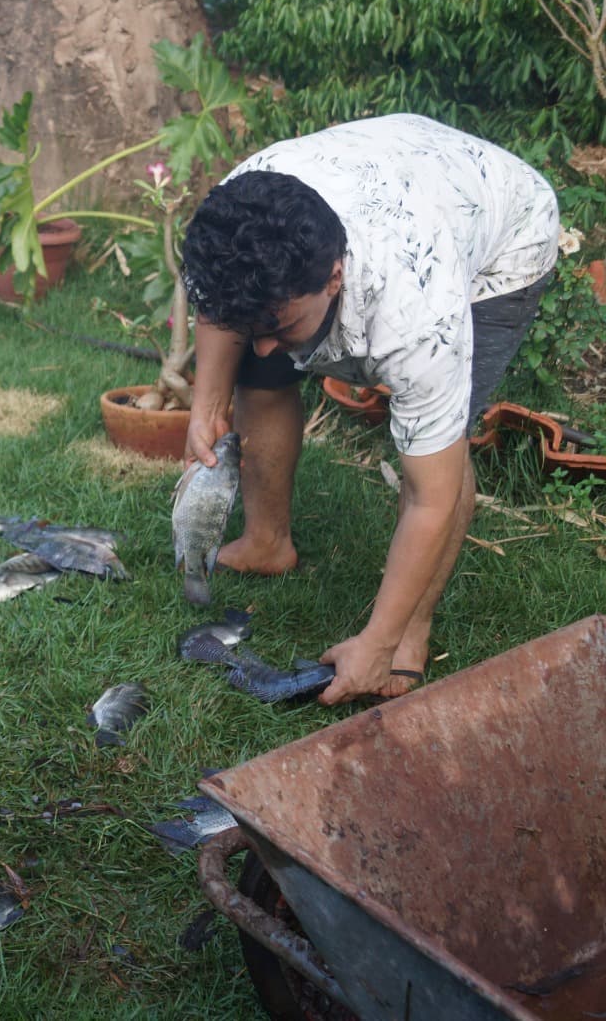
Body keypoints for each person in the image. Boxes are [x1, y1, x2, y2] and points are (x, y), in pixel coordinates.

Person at [180, 114, 558, 707]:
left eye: (277, 325)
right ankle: (267, 542)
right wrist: (207, 402)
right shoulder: (231, 229)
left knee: (438, 452)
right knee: (264, 368)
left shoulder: (418, 318)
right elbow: (227, 315)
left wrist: (375, 642)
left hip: (500, 234)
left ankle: (406, 637)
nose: (260, 343)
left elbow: (432, 496)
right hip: (388, 169)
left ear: (334, 279)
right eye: (245, 325)